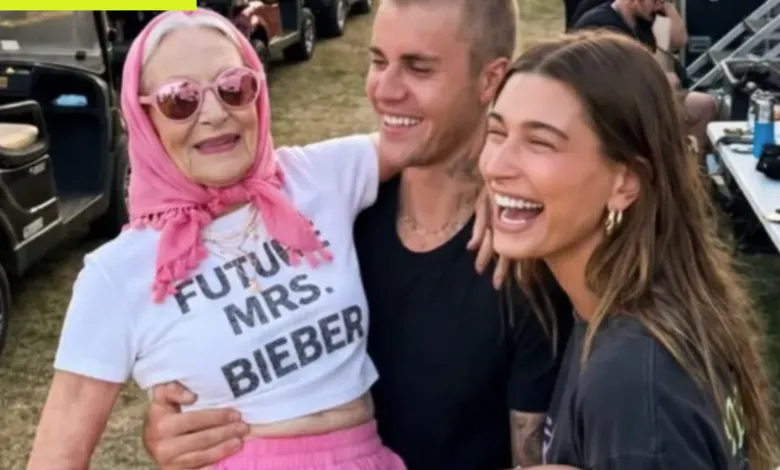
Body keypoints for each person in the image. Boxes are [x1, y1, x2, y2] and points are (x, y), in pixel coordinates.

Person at [26, 8, 484, 469]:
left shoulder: (317, 176)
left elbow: (433, 137)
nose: (214, 114)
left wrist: (493, 183)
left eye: (234, 87)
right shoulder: (116, 274)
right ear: (143, 119)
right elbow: (56, 456)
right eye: (179, 99)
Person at [138, 1, 574, 470]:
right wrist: (174, 430)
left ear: (490, 80)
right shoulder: (322, 212)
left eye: (418, 68)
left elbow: (533, 456)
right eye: (379, 61)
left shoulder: (520, 267)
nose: (385, 90)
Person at [480, 31, 777, 470]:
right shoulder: (649, 302)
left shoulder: (633, 385)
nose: (495, 166)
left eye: (540, 142)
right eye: (496, 132)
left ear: (626, 182)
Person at [572, 0, 718, 156]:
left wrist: (666, 6)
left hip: (643, 97)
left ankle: (688, 164)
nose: (658, 5)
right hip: (620, 106)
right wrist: (662, 46)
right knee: (703, 105)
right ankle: (682, 165)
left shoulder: (643, 19)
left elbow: (679, 40)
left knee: (706, 106)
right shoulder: (602, 27)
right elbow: (660, 80)